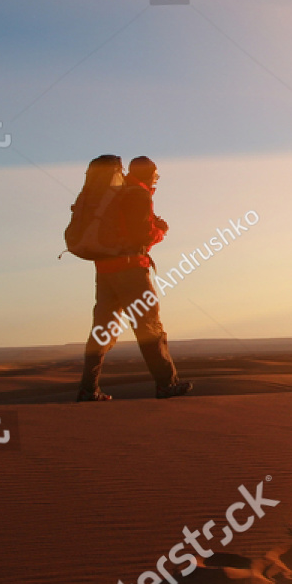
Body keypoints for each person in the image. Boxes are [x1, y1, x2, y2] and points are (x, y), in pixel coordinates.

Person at [76, 155, 192, 401]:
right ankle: (166, 384)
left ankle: (88, 388)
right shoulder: (137, 194)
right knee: (149, 327)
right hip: (130, 270)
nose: (157, 180)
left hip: (105, 271)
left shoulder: (116, 193)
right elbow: (142, 235)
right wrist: (160, 231)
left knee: (101, 330)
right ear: (148, 174)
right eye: (156, 175)